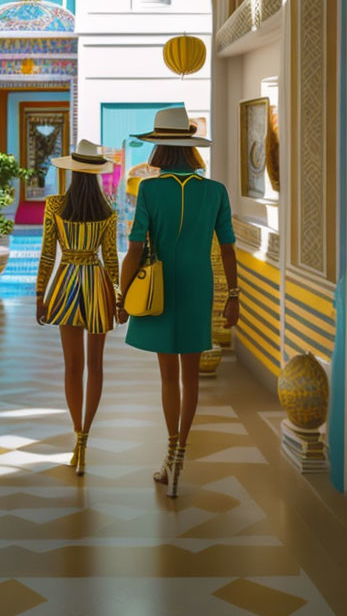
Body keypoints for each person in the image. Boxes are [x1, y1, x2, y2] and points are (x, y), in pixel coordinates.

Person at [119, 107, 239, 499]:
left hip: (161, 286)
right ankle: (180, 455)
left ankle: (170, 457)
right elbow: (227, 250)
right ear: (189, 150)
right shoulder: (215, 191)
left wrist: (122, 297)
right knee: (191, 377)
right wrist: (233, 296)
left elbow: (135, 249)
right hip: (198, 286)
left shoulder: (151, 190)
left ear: (160, 150)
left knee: (168, 377)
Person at [36, 139, 120, 475]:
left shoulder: (55, 205)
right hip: (97, 285)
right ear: (97, 174)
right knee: (95, 366)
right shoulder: (107, 210)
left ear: (72, 171)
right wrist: (119, 299)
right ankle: (85, 437)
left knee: (72, 366)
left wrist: (40, 294)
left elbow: (46, 254)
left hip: (66, 282)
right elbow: (112, 261)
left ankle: (77, 437)